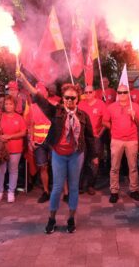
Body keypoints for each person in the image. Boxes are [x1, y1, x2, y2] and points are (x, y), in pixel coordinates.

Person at [18, 72, 98, 234]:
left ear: (77, 99)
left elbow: (90, 137)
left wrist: (94, 156)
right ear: (63, 98)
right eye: (67, 97)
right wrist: (24, 80)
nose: (69, 100)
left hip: (76, 154)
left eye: (73, 98)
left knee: (74, 188)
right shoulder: (56, 112)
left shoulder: (83, 116)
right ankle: (52, 218)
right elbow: (38, 97)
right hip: (59, 155)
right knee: (57, 188)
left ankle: (71, 219)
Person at [103, 84, 139, 203]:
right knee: (115, 167)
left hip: (131, 140)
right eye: (120, 92)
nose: (122, 95)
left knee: (133, 167)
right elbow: (104, 121)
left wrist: (134, 116)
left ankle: (134, 190)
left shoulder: (135, 106)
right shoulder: (111, 107)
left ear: (128, 93)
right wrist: (112, 128)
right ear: (117, 93)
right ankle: (114, 191)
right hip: (117, 140)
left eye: (124, 92)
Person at [0, 95, 27, 203]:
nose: (8, 106)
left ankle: (11, 191)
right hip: (2, 147)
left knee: (13, 170)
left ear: (14, 105)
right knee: (1, 170)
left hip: (15, 148)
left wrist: (10, 136)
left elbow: (23, 132)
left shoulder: (19, 117)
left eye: (10, 104)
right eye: (6, 104)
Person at [78, 86, 107, 195]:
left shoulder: (101, 104)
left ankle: (91, 185)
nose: (88, 94)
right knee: (81, 161)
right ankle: (79, 186)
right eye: (86, 92)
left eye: (90, 92)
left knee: (94, 163)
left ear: (94, 93)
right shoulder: (81, 104)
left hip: (95, 138)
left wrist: (99, 134)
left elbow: (105, 121)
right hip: (82, 138)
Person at [27, 83, 52, 203]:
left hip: (53, 141)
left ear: (46, 94)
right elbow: (31, 125)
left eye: (42, 92)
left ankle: (66, 192)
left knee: (58, 167)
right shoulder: (32, 107)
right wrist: (30, 140)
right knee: (43, 167)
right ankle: (46, 191)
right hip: (38, 142)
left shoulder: (54, 105)